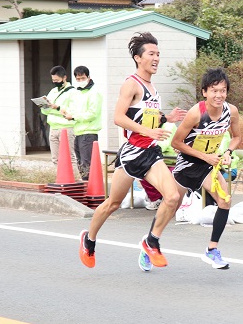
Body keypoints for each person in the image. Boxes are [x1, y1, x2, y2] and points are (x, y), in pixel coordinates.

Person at [79, 32, 185, 271]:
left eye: (158, 54)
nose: (156, 58)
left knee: (172, 197)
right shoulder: (131, 84)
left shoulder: (152, 88)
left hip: (150, 153)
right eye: (151, 54)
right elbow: (118, 117)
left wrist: (166, 118)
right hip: (131, 153)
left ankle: (152, 241)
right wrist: (148, 132)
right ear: (138, 58)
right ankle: (89, 239)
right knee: (113, 203)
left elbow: (148, 118)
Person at [169, 68, 242, 269]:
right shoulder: (196, 113)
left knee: (225, 200)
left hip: (208, 166)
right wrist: (204, 156)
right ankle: (150, 242)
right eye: (214, 90)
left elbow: (237, 138)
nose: (219, 95)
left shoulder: (231, 112)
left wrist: (227, 152)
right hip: (186, 164)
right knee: (170, 206)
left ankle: (212, 250)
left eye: (223, 90)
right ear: (204, 92)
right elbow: (176, 142)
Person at [64, 66, 103, 181]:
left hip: (89, 131)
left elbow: (92, 113)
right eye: (78, 79)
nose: (81, 81)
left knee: (87, 162)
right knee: (80, 161)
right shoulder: (78, 93)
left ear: (88, 77)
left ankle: (89, 187)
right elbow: (76, 110)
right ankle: (85, 184)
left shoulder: (94, 92)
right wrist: (67, 113)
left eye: (83, 78)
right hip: (79, 131)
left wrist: (74, 116)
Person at [41, 66, 76, 168]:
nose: (55, 82)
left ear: (64, 78)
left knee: (70, 157)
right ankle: (59, 179)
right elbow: (45, 111)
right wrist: (44, 105)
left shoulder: (72, 92)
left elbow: (72, 111)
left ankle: (74, 179)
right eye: (53, 80)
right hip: (53, 127)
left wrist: (57, 108)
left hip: (67, 127)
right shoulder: (53, 91)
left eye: (57, 80)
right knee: (55, 158)